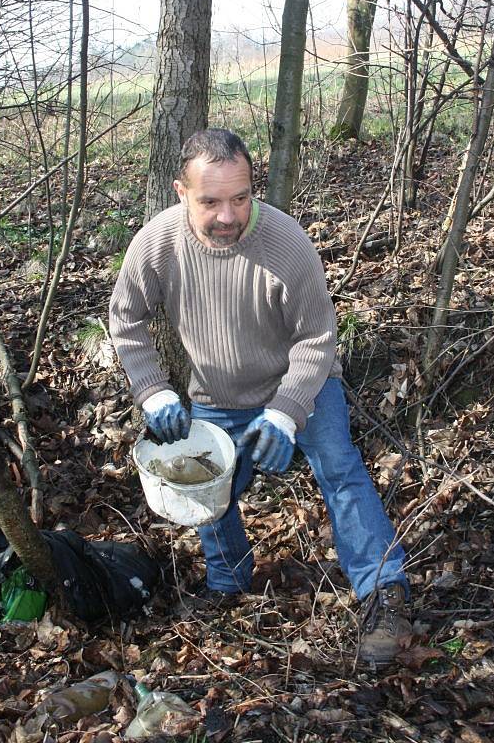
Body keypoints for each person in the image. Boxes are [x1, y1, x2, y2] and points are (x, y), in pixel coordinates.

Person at [109, 128, 411, 665]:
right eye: (210, 201)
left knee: (340, 468)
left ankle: (384, 592)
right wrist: (153, 392)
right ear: (181, 192)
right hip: (217, 394)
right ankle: (227, 584)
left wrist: (286, 412)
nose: (229, 216)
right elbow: (126, 319)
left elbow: (318, 338)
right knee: (206, 485)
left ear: (253, 189)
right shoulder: (156, 244)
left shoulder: (286, 240)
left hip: (300, 385)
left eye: (241, 198)